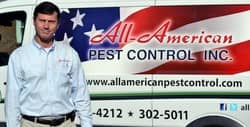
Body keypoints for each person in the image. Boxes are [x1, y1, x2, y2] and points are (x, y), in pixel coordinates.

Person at [5, 1, 92, 127]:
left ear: (57, 25)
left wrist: (87, 124)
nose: (46, 26)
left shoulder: (70, 54)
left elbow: (81, 94)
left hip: (66, 123)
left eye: (51, 22)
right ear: (34, 21)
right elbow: (12, 100)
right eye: (42, 20)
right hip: (31, 124)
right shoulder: (19, 56)